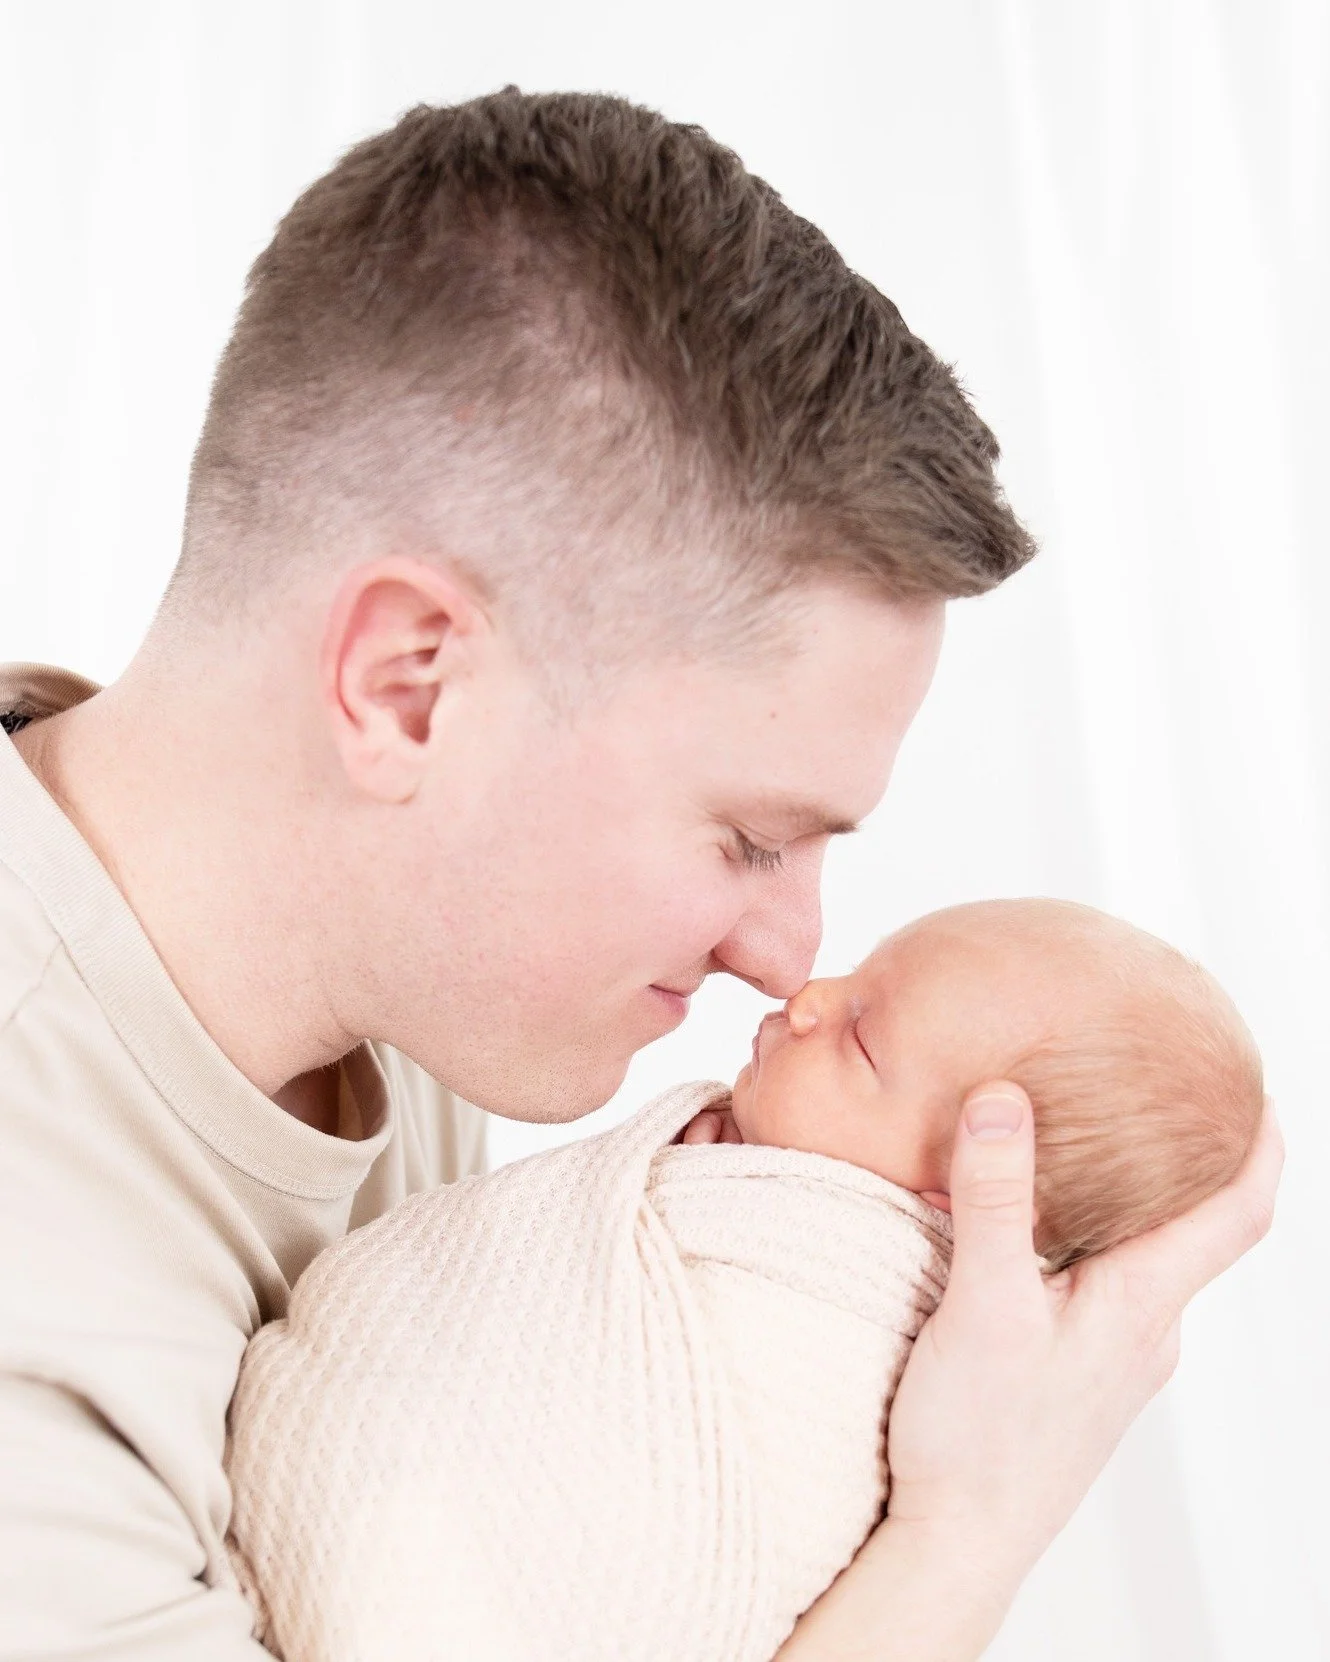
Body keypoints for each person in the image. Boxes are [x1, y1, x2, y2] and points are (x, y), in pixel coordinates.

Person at [0, 88, 1279, 1661]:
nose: (785, 953)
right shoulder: (31, 1304)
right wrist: (969, 1527)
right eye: (748, 837)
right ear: (409, 687)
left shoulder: (396, 979)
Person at [220, 898, 1264, 1662]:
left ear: (964, 1192)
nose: (805, 997)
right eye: (851, 980)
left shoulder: (843, 1320)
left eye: (858, 1035)